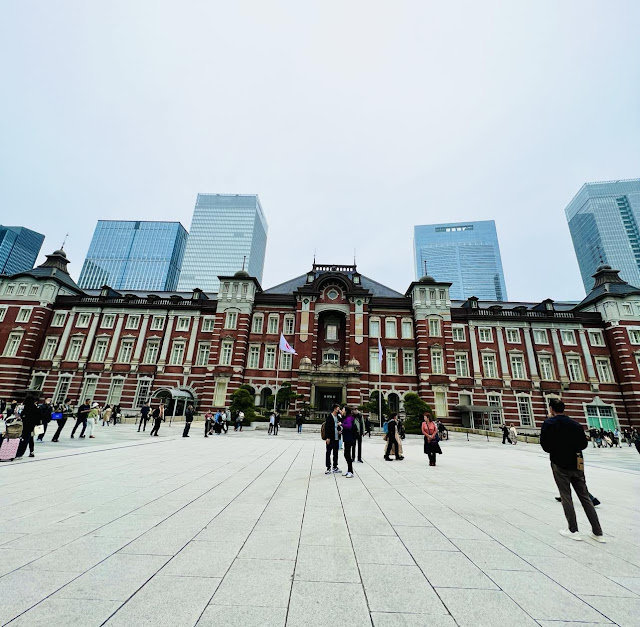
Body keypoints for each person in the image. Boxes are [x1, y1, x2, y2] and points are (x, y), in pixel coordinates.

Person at [540, 399, 605, 542]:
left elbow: (545, 446)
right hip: (577, 463)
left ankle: (573, 530)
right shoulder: (575, 424)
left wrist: (558, 448)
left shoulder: (549, 424)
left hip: (559, 463)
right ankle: (598, 532)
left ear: (551, 409)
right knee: (585, 497)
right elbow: (583, 444)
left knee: (566, 496)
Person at [324, 403, 341, 474]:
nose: (339, 410)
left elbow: (341, 424)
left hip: (337, 438)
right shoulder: (329, 417)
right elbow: (327, 428)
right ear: (334, 409)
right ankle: (328, 467)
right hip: (331, 438)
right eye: (338, 409)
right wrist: (327, 437)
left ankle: (335, 466)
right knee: (328, 452)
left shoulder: (338, 417)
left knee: (335, 453)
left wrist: (340, 430)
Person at [341, 407, 356, 477]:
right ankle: (349, 470)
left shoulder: (349, 418)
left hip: (349, 438)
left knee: (347, 454)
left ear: (346, 411)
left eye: (343, 409)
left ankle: (351, 471)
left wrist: (341, 424)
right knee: (346, 454)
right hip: (347, 438)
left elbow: (349, 426)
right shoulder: (346, 417)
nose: (342, 410)